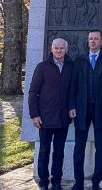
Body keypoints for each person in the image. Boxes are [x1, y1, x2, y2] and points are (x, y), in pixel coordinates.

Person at [69, 30, 102, 190]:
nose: (93, 41)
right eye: (90, 39)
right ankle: (78, 182)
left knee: (101, 147)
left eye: (96, 38)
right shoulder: (80, 59)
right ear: (88, 41)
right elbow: (73, 85)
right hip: (82, 109)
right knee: (79, 148)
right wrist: (72, 106)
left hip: (100, 109)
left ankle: (96, 181)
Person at [28, 38, 74, 190]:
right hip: (45, 118)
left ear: (66, 50)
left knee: (59, 153)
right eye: (56, 48)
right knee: (44, 151)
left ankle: (56, 182)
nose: (59, 50)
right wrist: (34, 115)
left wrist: (72, 107)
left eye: (61, 48)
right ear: (51, 49)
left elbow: (74, 91)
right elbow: (33, 92)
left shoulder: (71, 66)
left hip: (63, 119)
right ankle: (43, 182)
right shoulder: (42, 67)